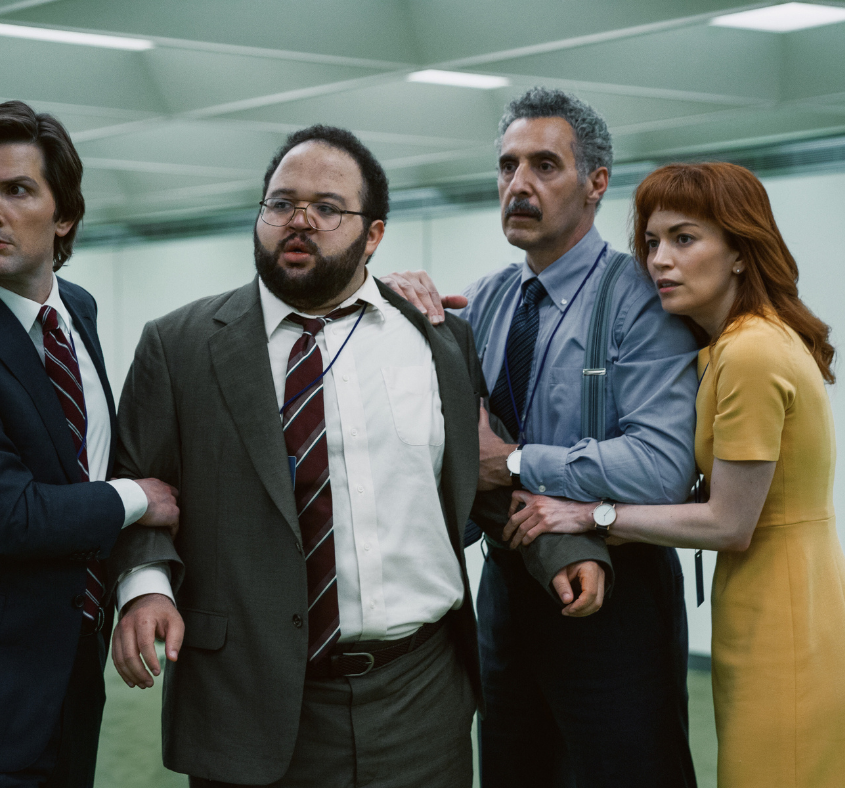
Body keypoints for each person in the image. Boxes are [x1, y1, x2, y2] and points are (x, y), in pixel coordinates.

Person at [107, 125, 486, 788]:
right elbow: (139, 488)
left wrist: (567, 547)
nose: (300, 221)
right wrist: (146, 587)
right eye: (281, 204)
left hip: (420, 698)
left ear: (374, 235)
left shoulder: (440, 340)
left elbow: (479, 475)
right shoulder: (180, 346)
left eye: (328, 208)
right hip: (247, 698)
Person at [382, 87, 700, 787]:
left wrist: (516, 461)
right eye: (507, 166)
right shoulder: (487, 299)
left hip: (616, 596)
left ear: (595, 184)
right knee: (512, 768)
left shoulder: (642, 299)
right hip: (505, 590)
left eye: (544, 166)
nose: (518, 185)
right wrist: (400, 320)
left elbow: (662, 466)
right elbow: (446, 446)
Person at [506, 161, 845, 788]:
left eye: (684, 239)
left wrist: (590, 514)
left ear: (741, 252)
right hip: (772, 594)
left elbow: (730, 522)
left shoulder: (750, 352)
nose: (659, 260)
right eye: (653, 242)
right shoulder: (731, 345)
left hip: (783, 613)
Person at [0, 101, 179, 788]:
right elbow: (8, 515)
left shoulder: (75, 310)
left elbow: (77, 458)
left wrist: (141, 581)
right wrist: (135, 499)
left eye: (15, 190)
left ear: (63, 217)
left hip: (66, 684)